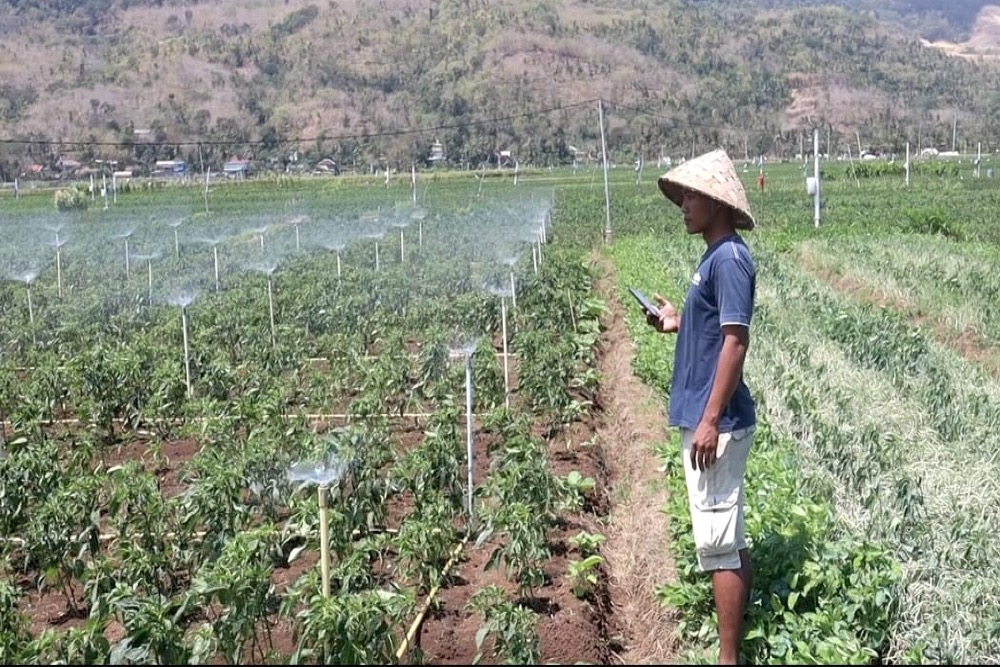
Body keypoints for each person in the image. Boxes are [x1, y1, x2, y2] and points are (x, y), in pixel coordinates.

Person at [648, 148, 757, 665]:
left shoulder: (731, 259)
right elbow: (714, 331)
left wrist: (711, 418)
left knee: (718, 544)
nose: (683, 205)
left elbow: (735, 342)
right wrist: (674, 320)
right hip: (705, 415)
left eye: (690, 195)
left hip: (719, 420)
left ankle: (727, 658)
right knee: (725, 534)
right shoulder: (713, 257)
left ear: (715, 202)